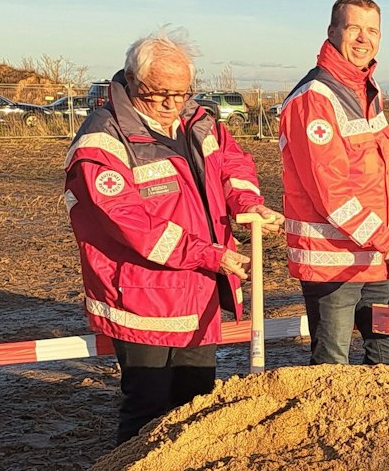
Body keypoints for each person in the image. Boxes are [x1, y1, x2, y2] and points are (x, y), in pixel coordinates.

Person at [65, 29, 281, 443]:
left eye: (181, 93)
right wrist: (211, 255)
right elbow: (132, 224)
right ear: (132, 83)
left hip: (196, 290)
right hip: (142, 296)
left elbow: (232, 164)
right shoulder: (103, 141)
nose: (171, 104)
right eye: (158, 94)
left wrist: (248, 203)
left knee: (194, 402)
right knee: (147, 409)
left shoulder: (198, 121)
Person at [278, 0, 389, 366]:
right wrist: (387, 239)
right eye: (353, 28)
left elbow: (366, 167)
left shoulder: (370, 89)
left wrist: (387, 200)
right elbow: (331, 192)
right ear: (332, 31)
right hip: (331, 259)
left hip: (375, 255)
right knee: (332, 363)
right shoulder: (315, 98)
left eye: (372, 31)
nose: (362, 39)